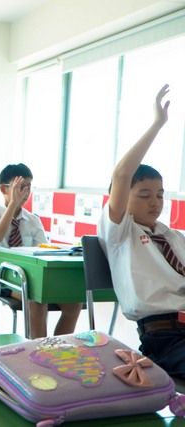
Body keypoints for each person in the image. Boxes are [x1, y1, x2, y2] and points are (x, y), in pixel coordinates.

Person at [99, 84, 185, 377]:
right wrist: (158, 124)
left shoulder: (173, 236)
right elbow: (122, 174)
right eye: (145, 195)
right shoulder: (121, 233)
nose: (155, 202)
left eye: (160, 195)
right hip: (164, 337)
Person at [0, 163, 82, 338]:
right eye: (20, 187)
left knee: (74, 301)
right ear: (3, 189)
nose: (25, 193)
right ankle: (38, 348)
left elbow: (44, 252)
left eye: (28, 187)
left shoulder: (33, 220)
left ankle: (57, 347)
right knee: (36, 299)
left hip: (35, 276)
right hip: (4, 275)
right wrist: (12, 205)